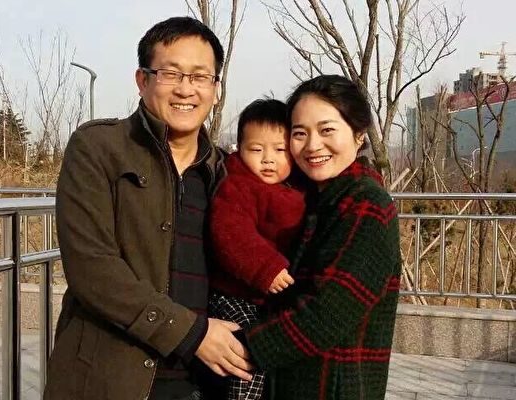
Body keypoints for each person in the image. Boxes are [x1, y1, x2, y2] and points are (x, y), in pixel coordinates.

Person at [44, 17, 253, 400]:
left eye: (200, 76)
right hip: (111, 378)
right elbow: (92, 267)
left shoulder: (225, 171)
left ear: (216, 88)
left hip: (204, 381)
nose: (186, 89)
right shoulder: (99, 148)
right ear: (143, 80)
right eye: (170, 73)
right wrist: (191, 333)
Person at [243, 75, 402, 400]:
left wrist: (239, 347)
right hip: (292, 381)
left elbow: (326, 313)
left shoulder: (366, 204)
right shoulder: (312, 198)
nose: (313, 145)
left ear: (358, 134)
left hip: (331, 387)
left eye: (327, 130)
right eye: (300, 133)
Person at [208, 99, 306, 400]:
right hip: (234, 294)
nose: (268, 160)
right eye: (256, 149)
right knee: (250, 351)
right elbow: (230, 233)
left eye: (279, 150)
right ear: (239, 148)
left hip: (268, 297)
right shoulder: (237, 186)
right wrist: (266, 267)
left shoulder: (296, 189)